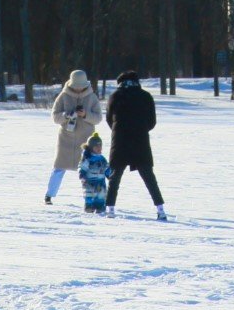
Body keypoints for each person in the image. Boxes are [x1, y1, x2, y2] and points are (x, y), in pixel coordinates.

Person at [105, 69, 167, 220]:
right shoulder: (145, 96)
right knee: (149, 177)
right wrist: (141, 128)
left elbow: (109, 119)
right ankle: (160, 209)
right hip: (140, 140)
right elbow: (152, 121)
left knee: (115, 176)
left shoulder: (115, 96)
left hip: (119, 140)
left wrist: (118, 129)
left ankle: (110, 209)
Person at [46, 70, 102, 204]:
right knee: (59, 167)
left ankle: (91, 198)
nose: (78, 88)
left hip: (86, 140)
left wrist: (85, 115)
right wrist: (66, 115)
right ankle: (49, 195)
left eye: (80, 86)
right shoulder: (63, 96)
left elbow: (98, 118)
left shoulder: (92, 97)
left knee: (88, 169)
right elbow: (55, 117)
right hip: (66, 137)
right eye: (76, 85)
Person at [79, 133, 110, 214]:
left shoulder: (102, 158)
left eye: (100, 146)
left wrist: (111, 175)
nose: (99, 148)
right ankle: (89, 207)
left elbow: (106, 168)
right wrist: (83, 176)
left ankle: (100, 207)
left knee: (101, 195)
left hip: (100, 182)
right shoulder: (87, 158)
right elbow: (83, 168)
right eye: (96, 147)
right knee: (89, 194)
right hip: (89, 182)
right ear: (91, 148)